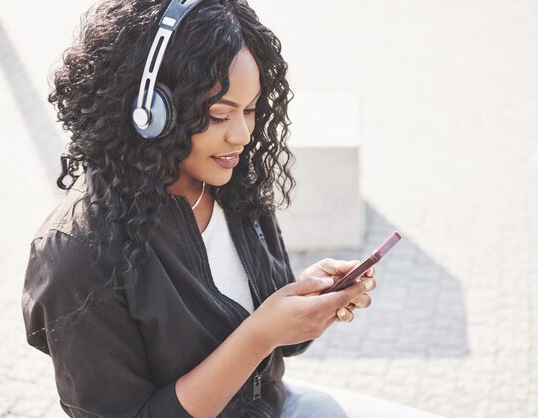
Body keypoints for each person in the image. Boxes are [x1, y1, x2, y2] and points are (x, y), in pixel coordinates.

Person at [21, 0, 376, 417]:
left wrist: (303, 301)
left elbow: (280, 344)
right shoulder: (78, 254)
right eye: (219, 114)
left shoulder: (232, 185)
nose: (242, 135)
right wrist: (259, 335)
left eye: (250, 110)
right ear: (148, 114)